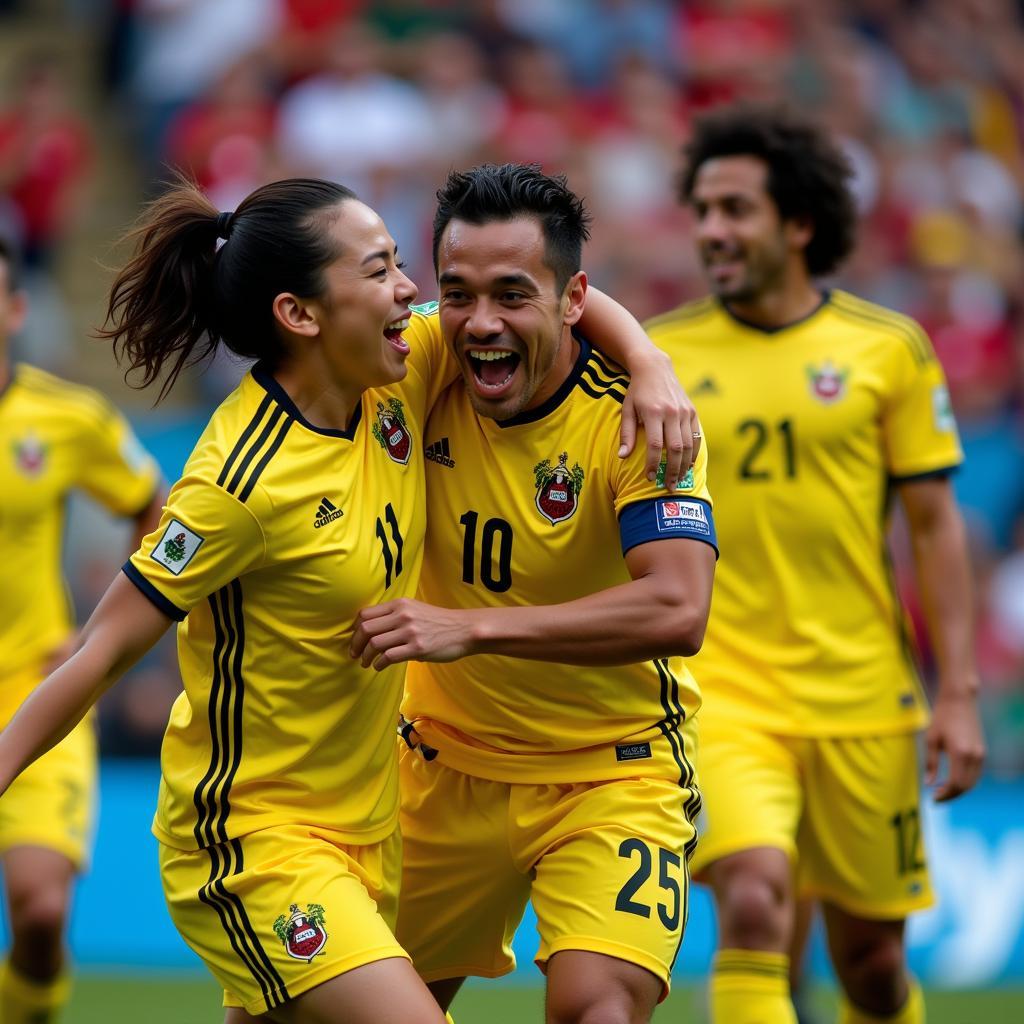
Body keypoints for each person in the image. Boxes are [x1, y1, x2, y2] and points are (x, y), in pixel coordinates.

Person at [0, 176, 697, 1024]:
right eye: (383, 271)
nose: (415, 296)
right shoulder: (240, 481)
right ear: (302, 314)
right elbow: (105, 647)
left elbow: (543, 292)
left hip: (392, 820)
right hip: (260, 836)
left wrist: (653, 361)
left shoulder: (403, 375)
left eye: (404, 267)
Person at [350, 163, 718, 1024]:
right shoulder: (432, 359)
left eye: (514, 295)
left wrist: (471, 628)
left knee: (596, 1009)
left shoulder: (639, 419)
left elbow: (678, 609)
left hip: (610, 770)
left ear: (572, 299)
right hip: (440, 765)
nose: (483, 324)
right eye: (458, 293)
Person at [644, 105, 986, 1024]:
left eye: (736, 209)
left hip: (861, 691)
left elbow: (935, 526)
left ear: (798, 223)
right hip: (722, 688)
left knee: (871, 965)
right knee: (754, 899)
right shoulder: (659, 357)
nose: (712, 229)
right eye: (703, 208)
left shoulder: (888, 349)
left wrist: (956, 690)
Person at [0, 235, 163, 1023]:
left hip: (34, 687)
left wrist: (103, 628)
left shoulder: (65, 419)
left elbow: (150, 503)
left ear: (16, 308)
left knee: (39, 911)